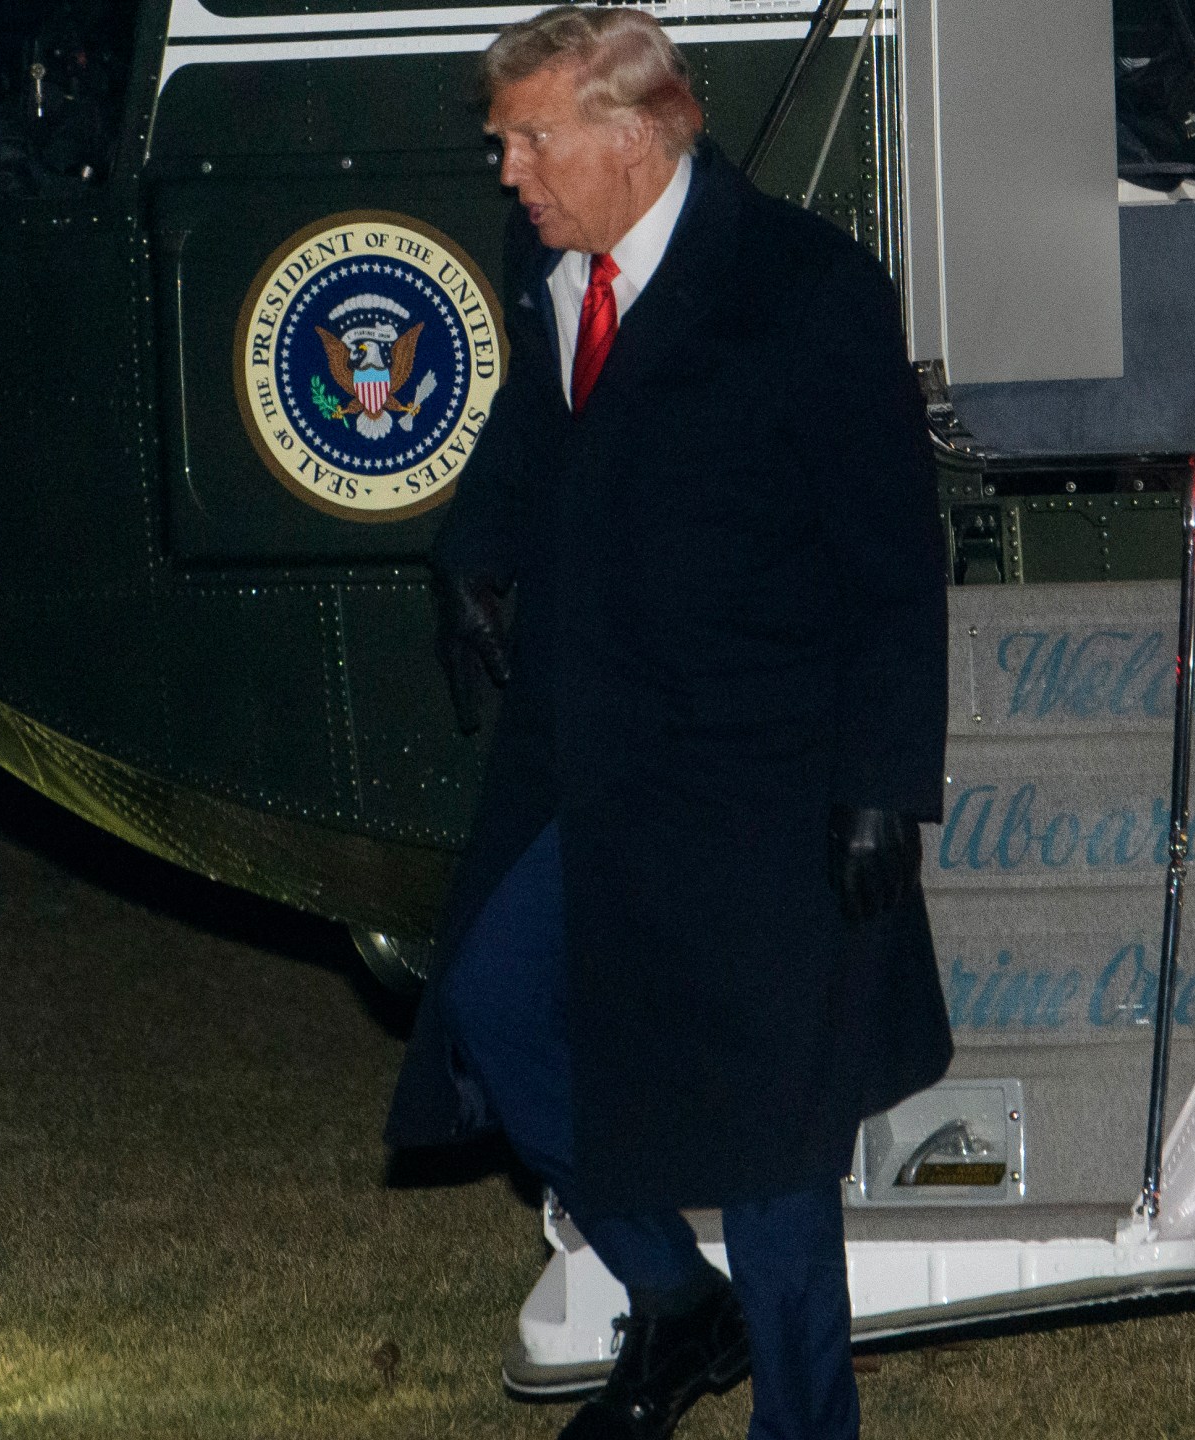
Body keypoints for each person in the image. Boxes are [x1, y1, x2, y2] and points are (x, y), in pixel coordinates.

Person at [383, 8, 954, 1440]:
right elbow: (537, 427)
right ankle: (667, 1290)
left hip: (762, 770)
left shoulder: (802, 288)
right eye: (504, 140)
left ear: (635, 133)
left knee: (770, 1140)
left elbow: (891, 554)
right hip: (588, 753)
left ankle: (806, 1421)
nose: (508, 171)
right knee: (492, 1009)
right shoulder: (553, 261)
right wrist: (474, 550)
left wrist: (882, 781)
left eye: (530, 139)